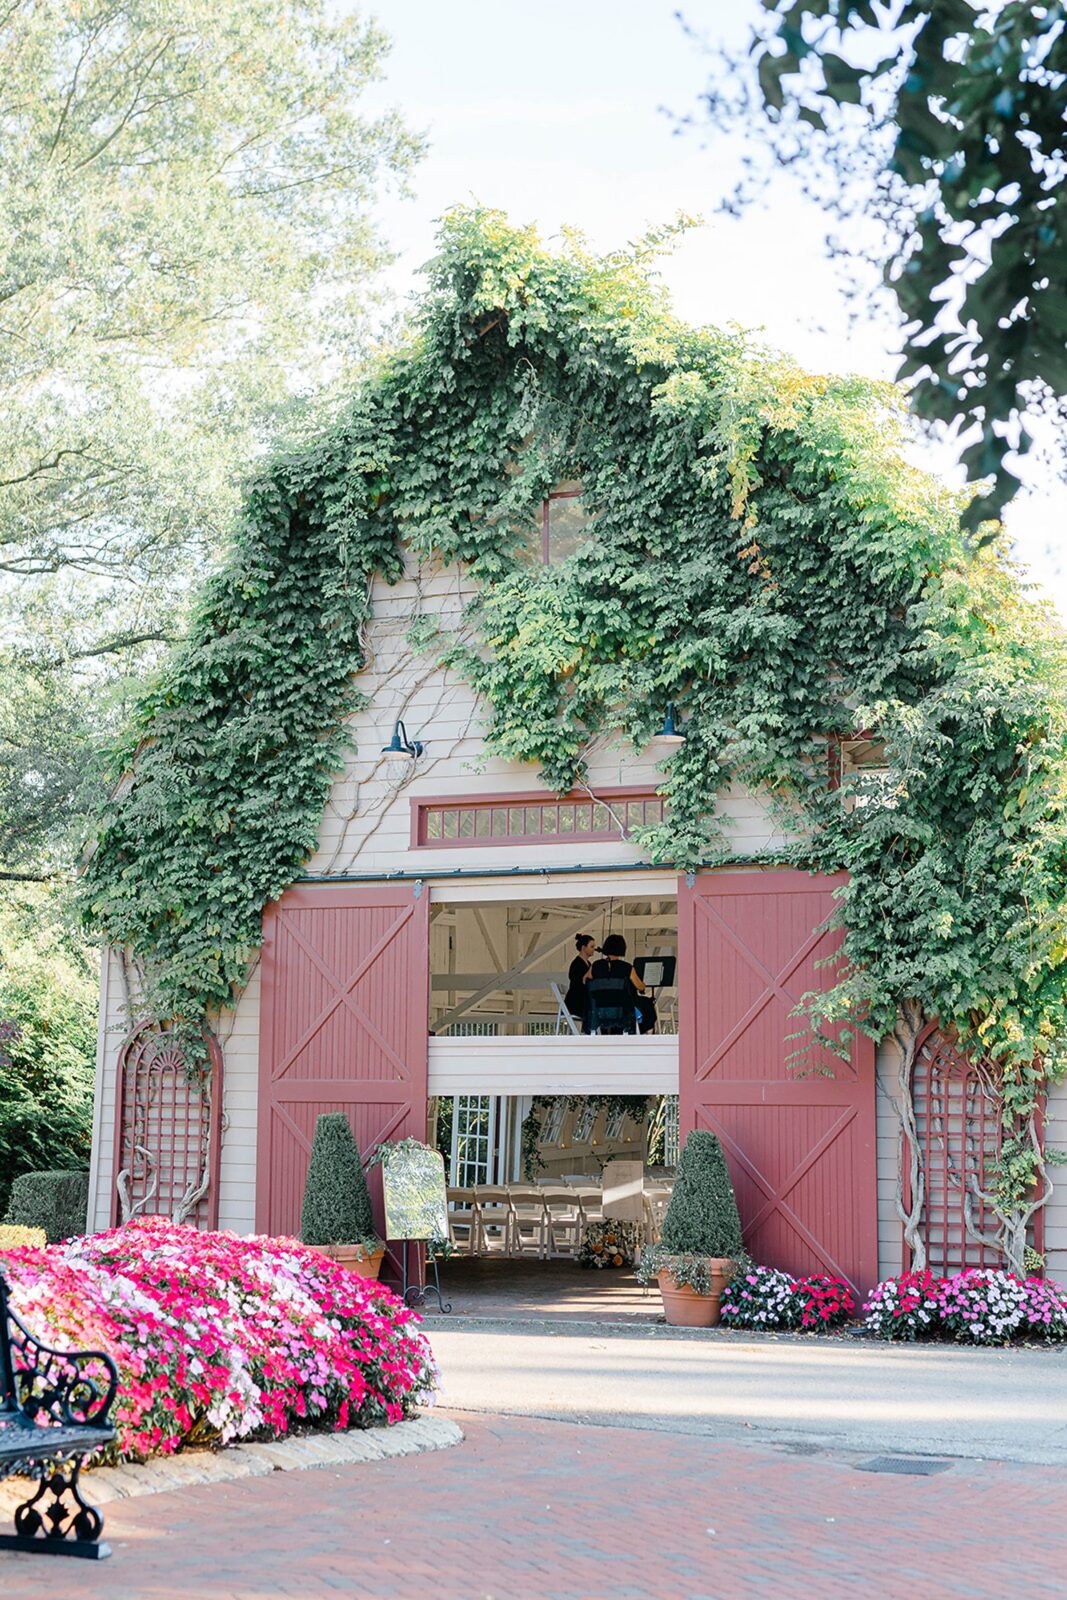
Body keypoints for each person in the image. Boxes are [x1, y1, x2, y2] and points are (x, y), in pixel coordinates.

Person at [589, 933, 657, 1034]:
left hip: (600, 1008)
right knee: (647, 1004)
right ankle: (648, 1033)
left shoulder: (596, 965)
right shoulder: (627, 967)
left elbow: (585, 979)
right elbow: (639, 986)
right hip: (622, 1010)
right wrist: (643, 985)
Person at [564, 934, 596, 1029]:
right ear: (583, 947)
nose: (594, 949)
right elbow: (583, 982)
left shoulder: (588, 963)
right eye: (591, 946)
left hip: (583, 999)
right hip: (577, 1002)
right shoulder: (576, 964)